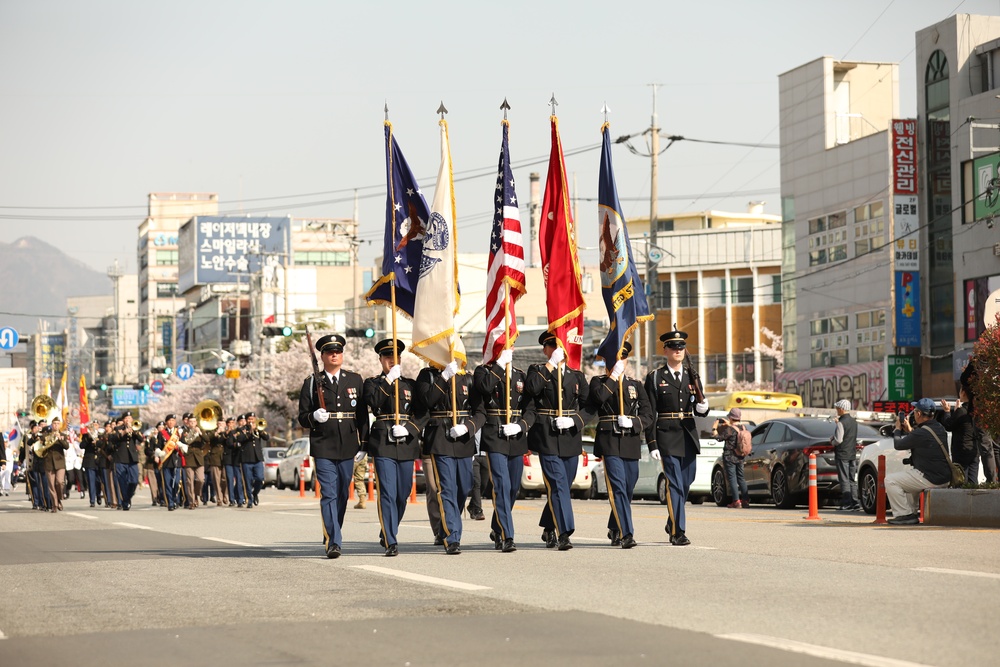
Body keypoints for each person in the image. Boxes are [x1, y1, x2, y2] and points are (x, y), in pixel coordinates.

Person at [297, 333, 369, 559]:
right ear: (323, 356)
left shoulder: (355, 380)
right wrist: (313, 417)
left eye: (338, 351)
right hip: (324, 444)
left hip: (348, 444)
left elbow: (362, 416)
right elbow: (302, 416)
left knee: (341, 494)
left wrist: (363, 444)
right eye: (330, 352)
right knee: (328, 493)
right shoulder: (311, 382)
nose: (334, 354)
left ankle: (332, 529)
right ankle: (334, 541)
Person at [644, 326, 709, 546]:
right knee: (674, 484)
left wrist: (703, 407)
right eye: (673, 347)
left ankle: (672, 518)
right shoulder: (655, 378)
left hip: (688, 433)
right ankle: (677, 531)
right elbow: (649, 412)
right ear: (665, 350)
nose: (678, 350)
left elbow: (700, 407)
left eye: (681, 347)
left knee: (686, 482)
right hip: (666, 435)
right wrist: (652, 442)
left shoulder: (692, 375)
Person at [525, 332, 589, 551]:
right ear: (545, 350)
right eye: (551, 345)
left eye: (558, 344)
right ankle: (564, 532)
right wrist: (550, 366)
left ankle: (548, 526)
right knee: (559, 484)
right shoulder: (537, 371)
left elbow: (589, 407)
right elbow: (532, 389)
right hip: (547, 436)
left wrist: (574, 421)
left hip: (570, 436)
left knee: (561, 487)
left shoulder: (577, 376)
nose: (555, 348)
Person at [586, 341, 652, 549]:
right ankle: (626, 533)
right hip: (609, 441)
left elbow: (648, 414)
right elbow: (599, 398)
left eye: (622, 358)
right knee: (618, 488)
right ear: (606, 361)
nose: (620, 362)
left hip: (630, 441)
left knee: (629, 487)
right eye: (615, 359)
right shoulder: (598, 382)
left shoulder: (635, 385)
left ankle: (615, 526)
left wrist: (633, 422)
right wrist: (613, 376)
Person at [362, 338, 423, 557]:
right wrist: (388, 381)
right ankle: (391, 539)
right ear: (380, 359)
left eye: (395, 357)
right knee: (387, 493)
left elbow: (422, 414)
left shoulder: (410, 385)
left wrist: (411, 429)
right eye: (387, 357)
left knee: (402, 493)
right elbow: (374, 402)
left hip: (405, 443)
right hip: (383, 443)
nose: (391, 360)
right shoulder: (372, 383)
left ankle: (388, 529)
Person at [473, 347, 535, 553]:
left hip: (515, 437)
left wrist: (522, 426)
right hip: (494, 436)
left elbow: (530, 409)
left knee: (512, 488)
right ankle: (507, 535)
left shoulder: (520, 375)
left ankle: (496, 526)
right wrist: (499, 366)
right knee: (501, 485)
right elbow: (484, 387)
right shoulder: (484, 372)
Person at [416, 356, 480, 555]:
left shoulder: (467, 378)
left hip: (462, 438)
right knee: (447, 488)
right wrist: (444, 377)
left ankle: (449, 522)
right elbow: (427, 401)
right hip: (439, 439)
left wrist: (468, 427)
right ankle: (452, 536)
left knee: (464, 486)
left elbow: (480, 411)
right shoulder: (428, 376)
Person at [885, 398, 951, 525]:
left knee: (890, 480)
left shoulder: (921, 432)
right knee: (910, 476)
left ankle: (904, 515)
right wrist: (910, 430)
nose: (914, 413)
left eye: (915, 411)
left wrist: (898, 429)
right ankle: (912, 513)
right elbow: (922, 438)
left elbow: (898, 444)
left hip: (932, 478)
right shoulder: (939, 428)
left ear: (919, 413)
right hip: (944, 477)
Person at [941, 389, 980, 484]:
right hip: (974, 450)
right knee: (973, 482)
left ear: (963, 393)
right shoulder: (977, 410)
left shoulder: (962, 411)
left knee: (960, 481)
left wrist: (947, 411)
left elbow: (948, 425)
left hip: (961, 451)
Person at [715, 408, 749, 509]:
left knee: (732, 479)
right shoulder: (743, 427)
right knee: (741, 478)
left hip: (730, 457)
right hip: (741, 456)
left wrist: (714, 427)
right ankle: (745, 501)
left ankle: (736, 501)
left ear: (730, 417)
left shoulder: (730, 429)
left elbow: (718, 438)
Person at [830, 399, 860, 510]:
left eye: (837, 408)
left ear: (842, 409)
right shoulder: (854, 421)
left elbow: (838, 440)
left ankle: (847, 503)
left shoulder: (841, 423)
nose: (836, 410)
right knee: (852, 479)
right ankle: (855, 503)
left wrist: (831, 441)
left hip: (842, 454)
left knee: (844, 479)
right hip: (852, 453)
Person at [110, 414, 143, 511]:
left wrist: (135, 431)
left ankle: (127, 498)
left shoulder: (135, 428)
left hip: (132, 459)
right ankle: (125, 501)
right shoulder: (117, 428)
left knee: (134, 480)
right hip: (120, 458)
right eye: (126, 418)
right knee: (122, 482)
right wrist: (124, 432)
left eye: (129, 418)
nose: (128, 420)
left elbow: (141, 439)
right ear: (123, 420)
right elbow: (113, 439)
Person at [237, 412, 268, 508]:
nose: (251, 421)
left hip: (258, 458)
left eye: (253, 419)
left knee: (260, 478)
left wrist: (260, 431)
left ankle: (255, 493)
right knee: (248, 481)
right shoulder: (241, 430)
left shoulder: (259, 428)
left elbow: (266, 437)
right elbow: (240, 439)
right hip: (246, 459)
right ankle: (249, 500)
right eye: (249, 419)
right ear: (246, 420)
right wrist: (250, 432)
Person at [42, 418, 69, 512]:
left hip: (60, 462)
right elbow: (41, 445)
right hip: (49, 462)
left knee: (60, 482)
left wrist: (60, 439)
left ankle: (59, 498)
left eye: (58, 423)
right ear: (51, 425)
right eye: (54, 423)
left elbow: (66, 446)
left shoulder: (63, 435)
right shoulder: (46, 435)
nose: (56, 425)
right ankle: (54, 505)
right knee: (51, 485)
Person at [180, 413, 207, 509]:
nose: (192, 423)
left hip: (199, 457)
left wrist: (199, 432)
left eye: (194, 422)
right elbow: (185, 441)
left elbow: (207, 440)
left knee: (200, 479)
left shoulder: (200, 430)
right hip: (189, 457)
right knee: (189, 480)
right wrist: (192, 433)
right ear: (188, 422)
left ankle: (196, 494)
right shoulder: (184, 431)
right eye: (190, 422)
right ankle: (191, 501)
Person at [157, 414, 182, 511]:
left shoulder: (178, 432)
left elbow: (184, 444)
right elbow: (158, 446)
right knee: (167, 483)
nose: (171, 422)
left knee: (176, 483)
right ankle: (170, 503)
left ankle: (175, 498)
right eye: (169, 420)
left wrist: (178, 446)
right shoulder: (162, 433)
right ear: (166, 422)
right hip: (166, 461)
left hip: (177, 460)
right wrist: (159, 453)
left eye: (173, 420)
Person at [222, 417, 244, 507]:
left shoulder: (238, 432)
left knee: (239, 479)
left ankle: (240, 499)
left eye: (233, 422)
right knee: (230, 479)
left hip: (236, 458)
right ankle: (231, 499)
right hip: (228, 458)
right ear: (227, 424)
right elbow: (228, 443)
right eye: (229, 423)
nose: (231, 424)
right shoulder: (226, 433)